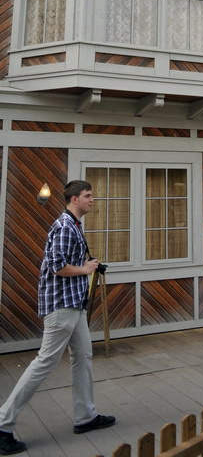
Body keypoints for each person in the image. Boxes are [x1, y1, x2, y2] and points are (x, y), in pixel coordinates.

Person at [0, 180, 115, 455]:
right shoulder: (64, 226)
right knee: (45, 362)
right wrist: (86, 269)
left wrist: (89, 265)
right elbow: (57, 267)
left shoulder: (73, 225)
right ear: (74, 199)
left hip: (74, 305)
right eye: (88, 196)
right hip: (61, 306)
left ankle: (85, 416)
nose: (92, 200)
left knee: (83, 356)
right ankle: (3, 423)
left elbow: (67, 263)